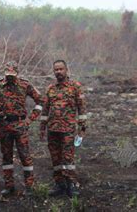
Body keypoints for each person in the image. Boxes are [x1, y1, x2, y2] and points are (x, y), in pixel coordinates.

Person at [40, 60, 87, 197]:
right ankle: (59, 184)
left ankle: (71, 185)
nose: (58, 72)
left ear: (66, 70)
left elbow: (82, 108)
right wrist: (42, 128)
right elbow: (45, 109)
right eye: (56, 70)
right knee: (56, 159)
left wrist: (82, 128)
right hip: (52, 129)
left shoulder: (75, 87)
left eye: (61, 69)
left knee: (68, 158)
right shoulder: (50, 88)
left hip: (68, 129)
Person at [0, 61, 42, 197]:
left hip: (20, 125)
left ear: (17, 73)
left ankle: (29, 186)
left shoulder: (25, 84)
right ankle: (9, 186)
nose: (10, 77)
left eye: (12, 74)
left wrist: (30, 119)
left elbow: (40, 101)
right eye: (7, 74)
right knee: (6, 157)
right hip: (4, 126)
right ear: (4, 73)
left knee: (25, 156)